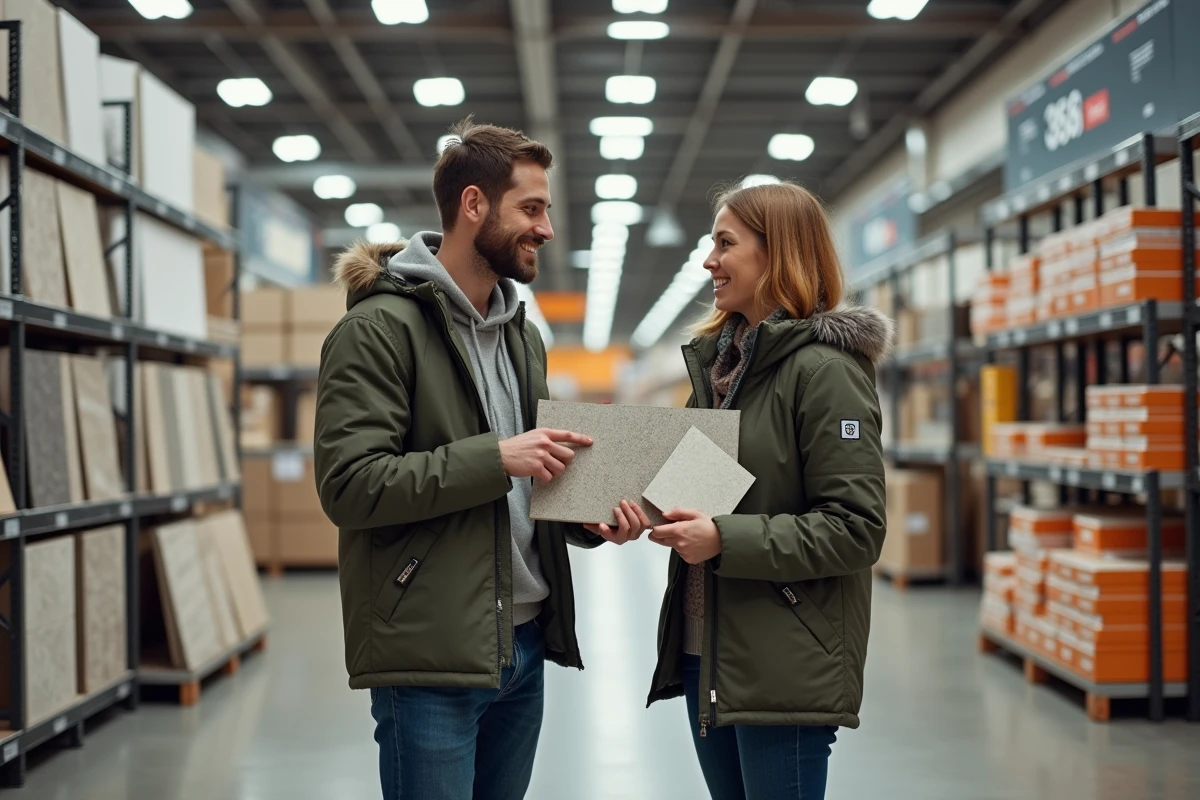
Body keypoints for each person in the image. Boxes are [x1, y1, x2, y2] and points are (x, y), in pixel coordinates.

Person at [313, 117, 642, 800]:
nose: (546, 229)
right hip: (431, 649)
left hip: (522, 646)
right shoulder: (377, 329)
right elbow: (350, 486)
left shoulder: (522, 337)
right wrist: (495, 458)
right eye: (532, 208)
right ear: (473, 205)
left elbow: (537, 471)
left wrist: (591, 515)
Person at [633, 180, 891, 800]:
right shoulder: (723, 368)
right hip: (708, 647)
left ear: (777, 255)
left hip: (783, 656)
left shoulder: (826, 372)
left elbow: (856, 527)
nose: (709, 260)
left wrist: (723, 538)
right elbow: (695, 484)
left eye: (725, 243)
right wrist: (629, 511)